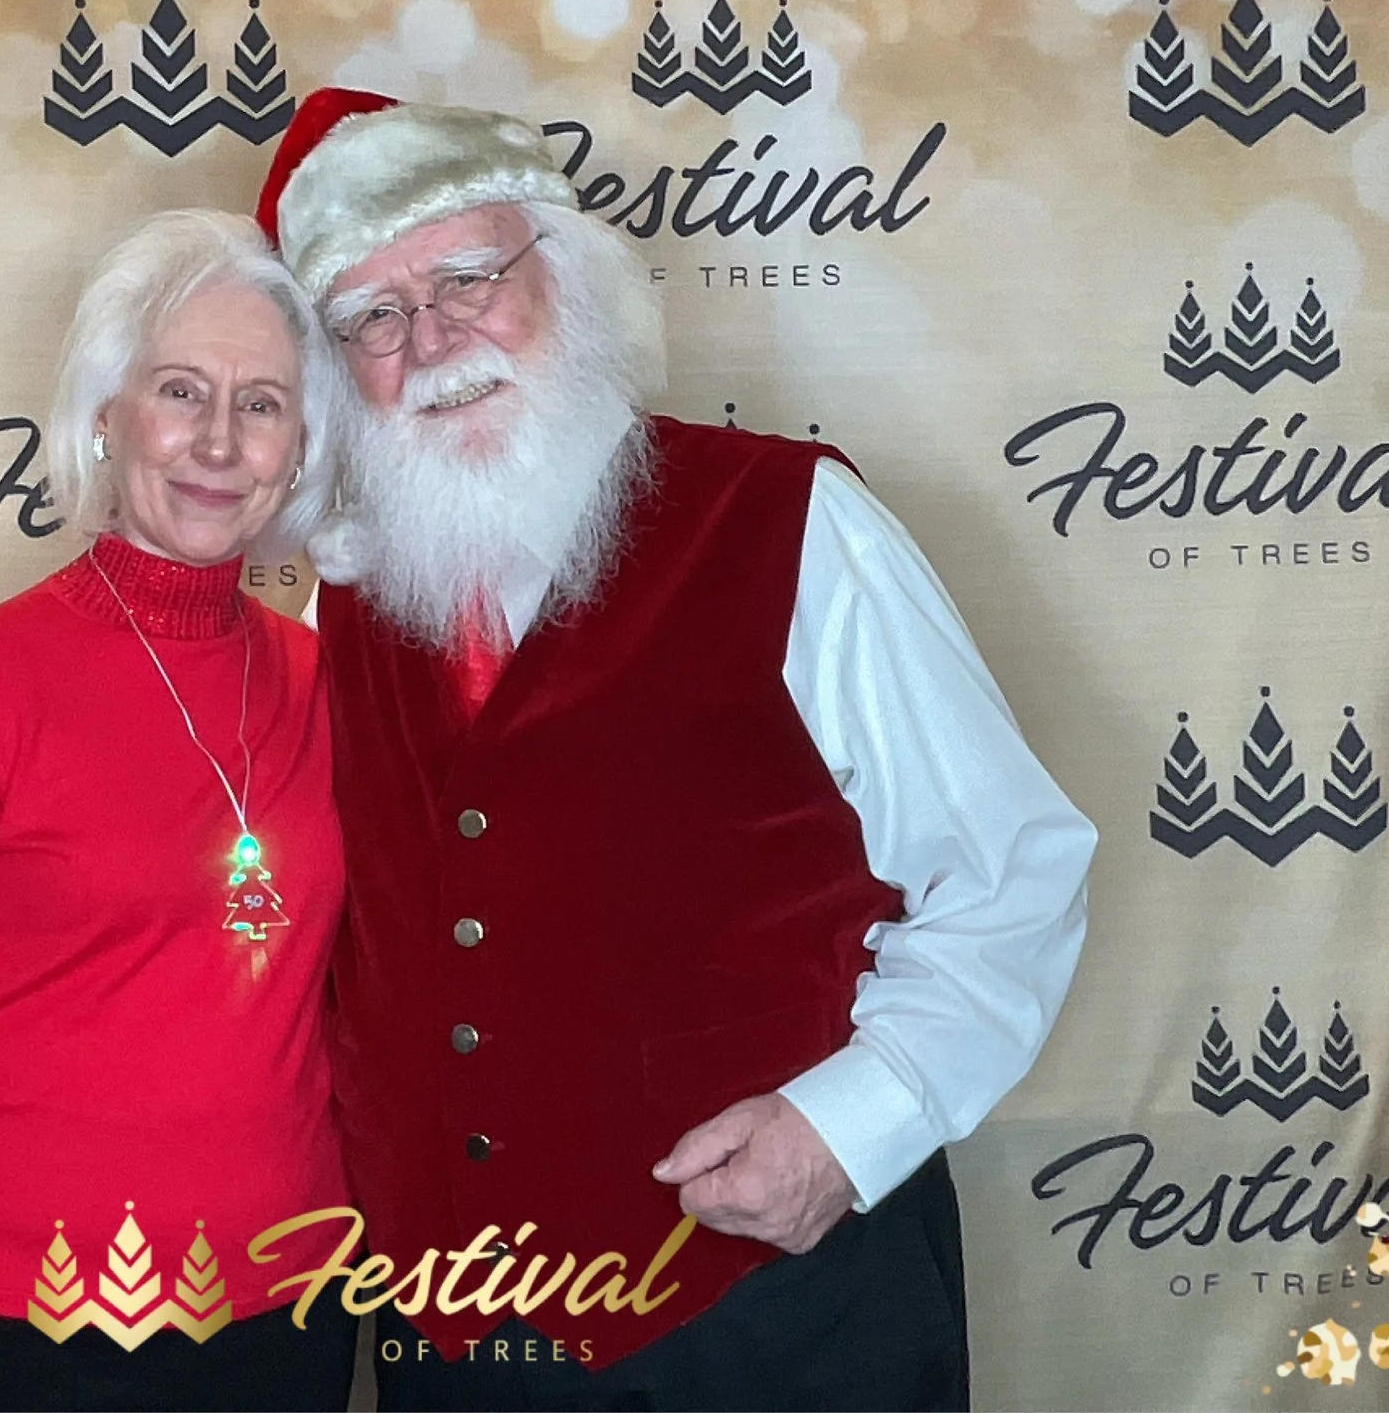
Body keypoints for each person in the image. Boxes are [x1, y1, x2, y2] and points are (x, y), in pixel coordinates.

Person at [252, 91, 1099, 1412]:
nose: (432, 341)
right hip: (468, 1341)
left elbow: (1014, 869)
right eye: (372, 315)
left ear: (567, 276)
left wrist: (852, 1124)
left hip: (777, 1302)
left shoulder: (787, 520)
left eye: (469, 277)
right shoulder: (328, 604)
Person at [0, 210, 357, 1413]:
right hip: (26, 1328)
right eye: (179, 390)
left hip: (288, 1313)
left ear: (302, 439)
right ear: (106, 415)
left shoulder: (332, 683)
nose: (218, 438)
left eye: (260, 401)